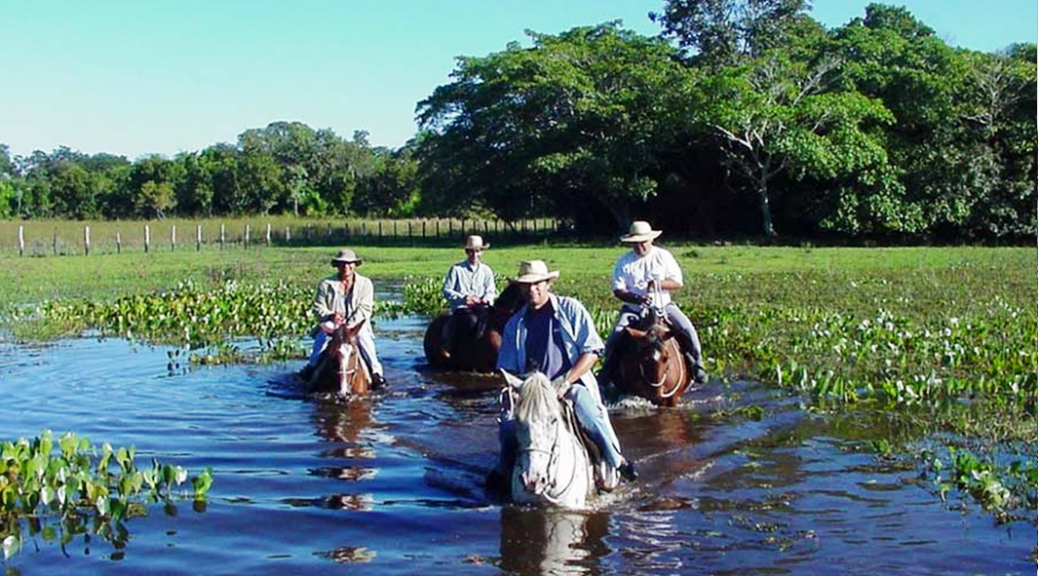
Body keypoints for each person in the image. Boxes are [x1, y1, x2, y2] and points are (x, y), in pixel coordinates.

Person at [493, 260, 637, 487]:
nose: (532, 290)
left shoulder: (571, 309)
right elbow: (508, 369)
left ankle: (615, 461)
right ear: (520, 289)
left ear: (548, 284)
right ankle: (504, 471)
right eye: (526, 286)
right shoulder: (514, 324)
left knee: (589, 414)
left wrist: (566, 381)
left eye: (538, 284)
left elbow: (592, 351)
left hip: (570, 385)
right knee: (509, 427)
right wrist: (516, 390)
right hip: (531, 392)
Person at [601, 221, 708, 386]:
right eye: (635, 243)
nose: (640, 247)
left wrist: (657, 284)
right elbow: (618, 290)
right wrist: (636, 298)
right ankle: (607, 371)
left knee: (687, 328)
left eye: (643, 242)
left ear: (651, 240)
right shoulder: (624, 262)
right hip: (634, 309)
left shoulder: (663, 256)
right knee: (616, 334)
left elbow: (677, 282)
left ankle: (697, 365)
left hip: (663, 306)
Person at [306, 248, 387, 388]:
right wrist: (331, 315)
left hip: (355, 326)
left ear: (355, 265)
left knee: (365, 342)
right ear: (337, 265)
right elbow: (318, 307)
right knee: (321, 342)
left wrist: (349, 326)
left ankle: (376, 373)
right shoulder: (325, 284)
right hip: (332, 324)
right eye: (342, 264)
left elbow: (365, 309)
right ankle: (311, 368)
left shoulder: (365, 284)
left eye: (350, 264)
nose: (346, 267)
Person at [441, 235, 497, 354]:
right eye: (471, 252)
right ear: (467, 252)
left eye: (477, 251)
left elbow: (491, 291)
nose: (474, 255)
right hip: (462, 308)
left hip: (482, 308)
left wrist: (487, 299)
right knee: (470, 320)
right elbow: (446, 290)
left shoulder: (487, 271)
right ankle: (453, 346)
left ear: (482, 252)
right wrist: (463, 298)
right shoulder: (456, 269)